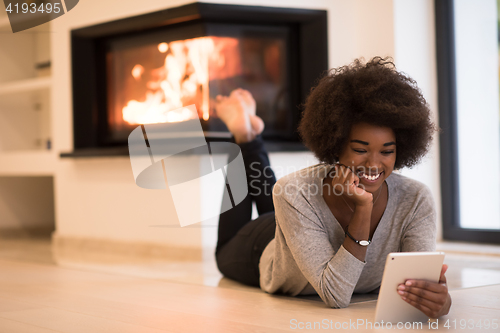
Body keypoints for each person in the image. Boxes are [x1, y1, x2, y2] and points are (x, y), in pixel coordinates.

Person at [214, 57, 451, 318]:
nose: (374, 163)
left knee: (287, 195)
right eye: (360, 149)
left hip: (303, 221)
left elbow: (419, 288)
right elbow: (336, 295)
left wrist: (439, 302)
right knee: (228, 247)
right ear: (336, 144)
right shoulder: (295, 191)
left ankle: (250, 135)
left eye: (387, 151)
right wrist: (363, 208)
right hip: (264, 244)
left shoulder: (415, 198)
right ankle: (243, 137)